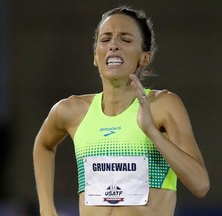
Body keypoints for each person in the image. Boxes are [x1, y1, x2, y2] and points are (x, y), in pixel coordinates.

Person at [33, 5, 210, 216]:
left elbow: (200, 185)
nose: (113, 45)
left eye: (125, 39)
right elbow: (43, 145)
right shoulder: (72, 111)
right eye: (105, 39)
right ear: (95, 56)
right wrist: (46, 209)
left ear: (145, 57)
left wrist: (153, 133)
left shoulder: (163, 105)